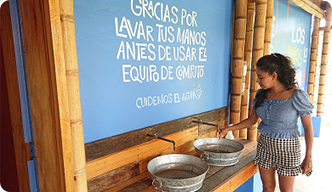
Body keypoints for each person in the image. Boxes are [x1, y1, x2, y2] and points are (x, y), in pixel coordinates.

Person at [218, 53, 314, 192]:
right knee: (267, 187)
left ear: (274, 76)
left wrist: (308, 156)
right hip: (265, 146)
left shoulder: (297, 96)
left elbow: (308, 127)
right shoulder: (261, 95)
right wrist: (229, 129)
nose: (258, 80)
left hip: (288, 149)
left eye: (261, 77)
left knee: (286, 190)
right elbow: (252, 120)